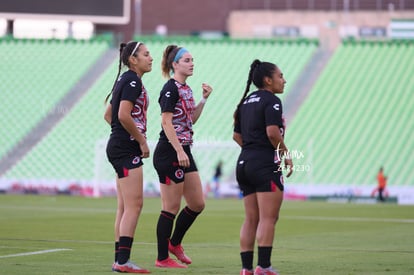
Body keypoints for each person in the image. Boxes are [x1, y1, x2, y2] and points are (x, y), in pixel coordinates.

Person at [153, 45, 213, 268]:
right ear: (174, 64)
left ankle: (174, 243)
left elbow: (191, 119)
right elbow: (166, 121)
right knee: (170, 207)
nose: (192, 63)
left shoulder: (186, 89)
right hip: (170, 151)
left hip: (184, 149)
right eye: (187, 60)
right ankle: (162, 258)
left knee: (197, 203)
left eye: (192, 59)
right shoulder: (170, 89)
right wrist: (178, 150)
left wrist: (204, 99)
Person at [233, 59, 293, 275]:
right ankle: (264, 266)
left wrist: (252, 150)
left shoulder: (246, 101)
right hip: (264, 164)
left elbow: (236, 135)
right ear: (268, 80)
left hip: (244, 163)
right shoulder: (272, 101)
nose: (283, 81)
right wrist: (285, 154)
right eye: (280, 76)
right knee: (269, 218)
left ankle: (246, 269)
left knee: (251, 219)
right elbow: (272, 132)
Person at [104, 41, 153, 273]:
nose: (150, 58)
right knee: (135, 205)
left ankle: (119, 260)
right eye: (146, 54)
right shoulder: (133, 80)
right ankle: (123, 262)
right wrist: (140, 140)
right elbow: (123, 115)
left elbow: (108, 115)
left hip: (118, 146)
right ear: (133, 60)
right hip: (126, 148)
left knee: (124, 206)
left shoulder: (125, 79)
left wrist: (120, 134)